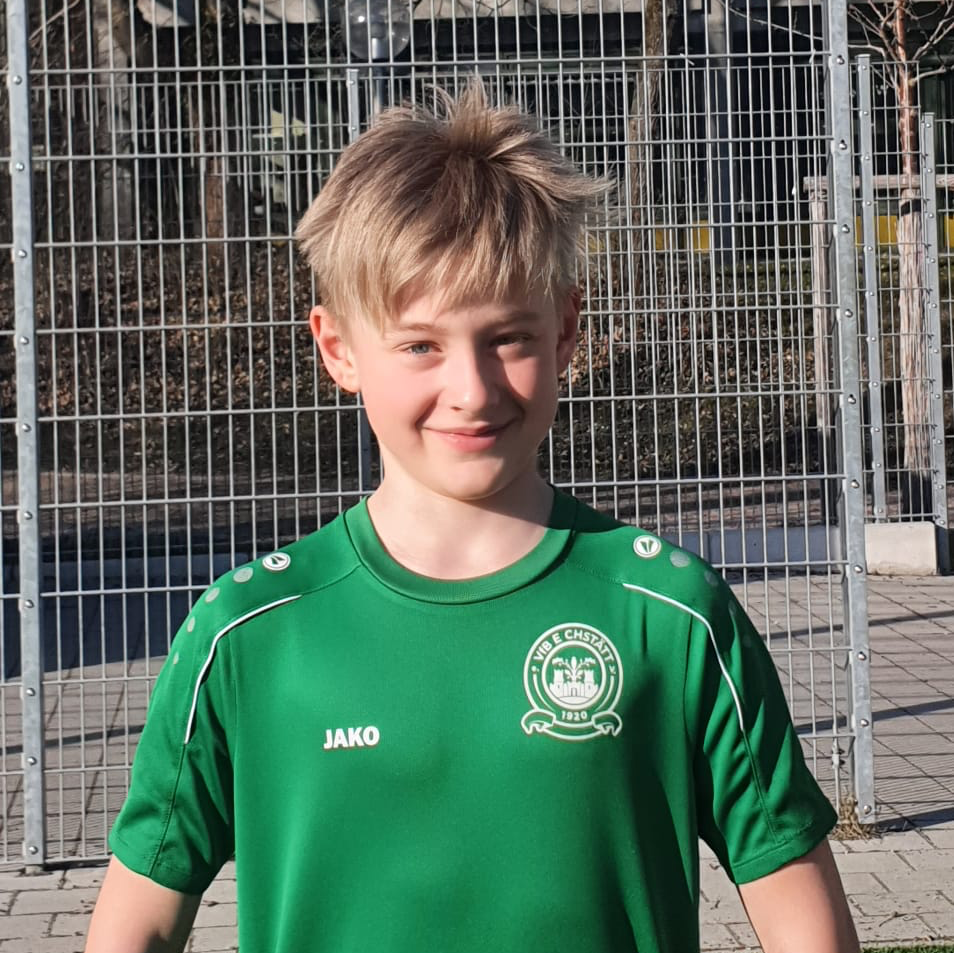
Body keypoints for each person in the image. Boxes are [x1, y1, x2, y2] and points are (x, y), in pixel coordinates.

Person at [85, 83, 860, 953]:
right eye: (421, 344)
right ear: (338, 348)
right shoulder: (247, 633)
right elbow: (136, 923)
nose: (473, 390)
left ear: (565, 331)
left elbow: (805, 922)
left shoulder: (672, 614)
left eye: (509, 338)